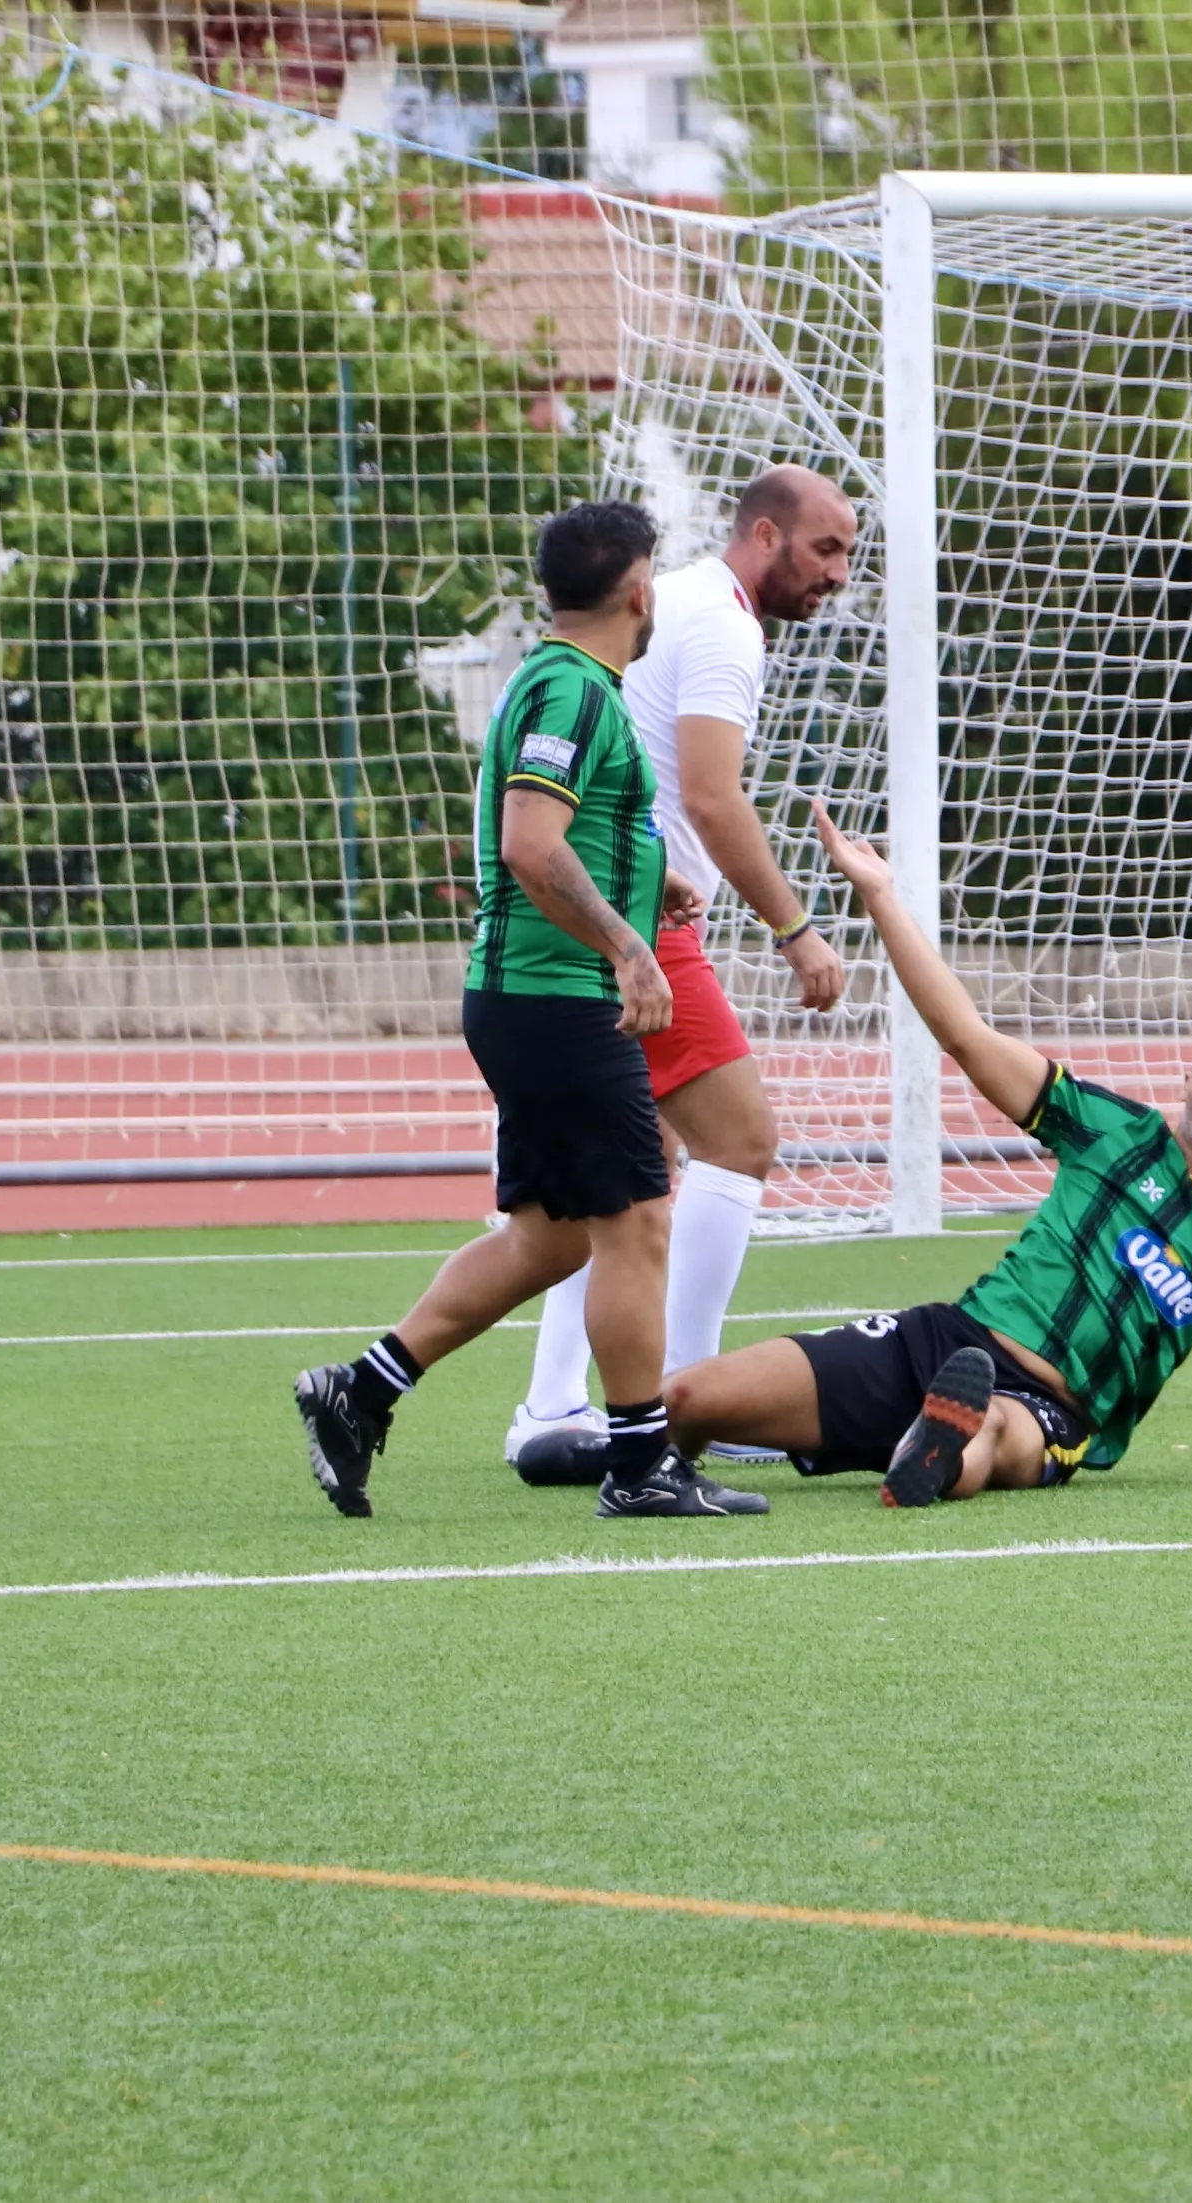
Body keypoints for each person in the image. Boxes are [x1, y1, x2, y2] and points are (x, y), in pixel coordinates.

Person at [660, 806, 1192, 1505]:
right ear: (1188, 1076)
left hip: (1050, 1408)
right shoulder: (1114, 1128)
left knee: (991, 1435)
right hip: (943, 1339)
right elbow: (966, 1037)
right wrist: (880, 896)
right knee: (693, 1395)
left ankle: (935, 1450)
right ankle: (678, 1471)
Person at [291, 501, 766, 1521]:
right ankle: (641, 1463)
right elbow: (530, 843)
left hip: (537, 997)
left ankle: (359, 1390)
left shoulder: (569, 684)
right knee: (640, 1216)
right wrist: (629, 946)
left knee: (552, 1239)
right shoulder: (571, 690)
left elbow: (572, 838)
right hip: (556, 1001)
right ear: (638, 590)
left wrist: (647, 888)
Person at [508, 465, 860, 1473]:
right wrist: (796, 928)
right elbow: (709, 796)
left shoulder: (691, 609)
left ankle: (548, 1406)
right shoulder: (725, 625)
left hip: (629, 909)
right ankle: (690, 1401)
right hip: (636, 931)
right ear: (762, 533)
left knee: (615, 1184)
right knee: (741, 1140)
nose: (837, 574)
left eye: (847, 554)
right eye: (825, 549)